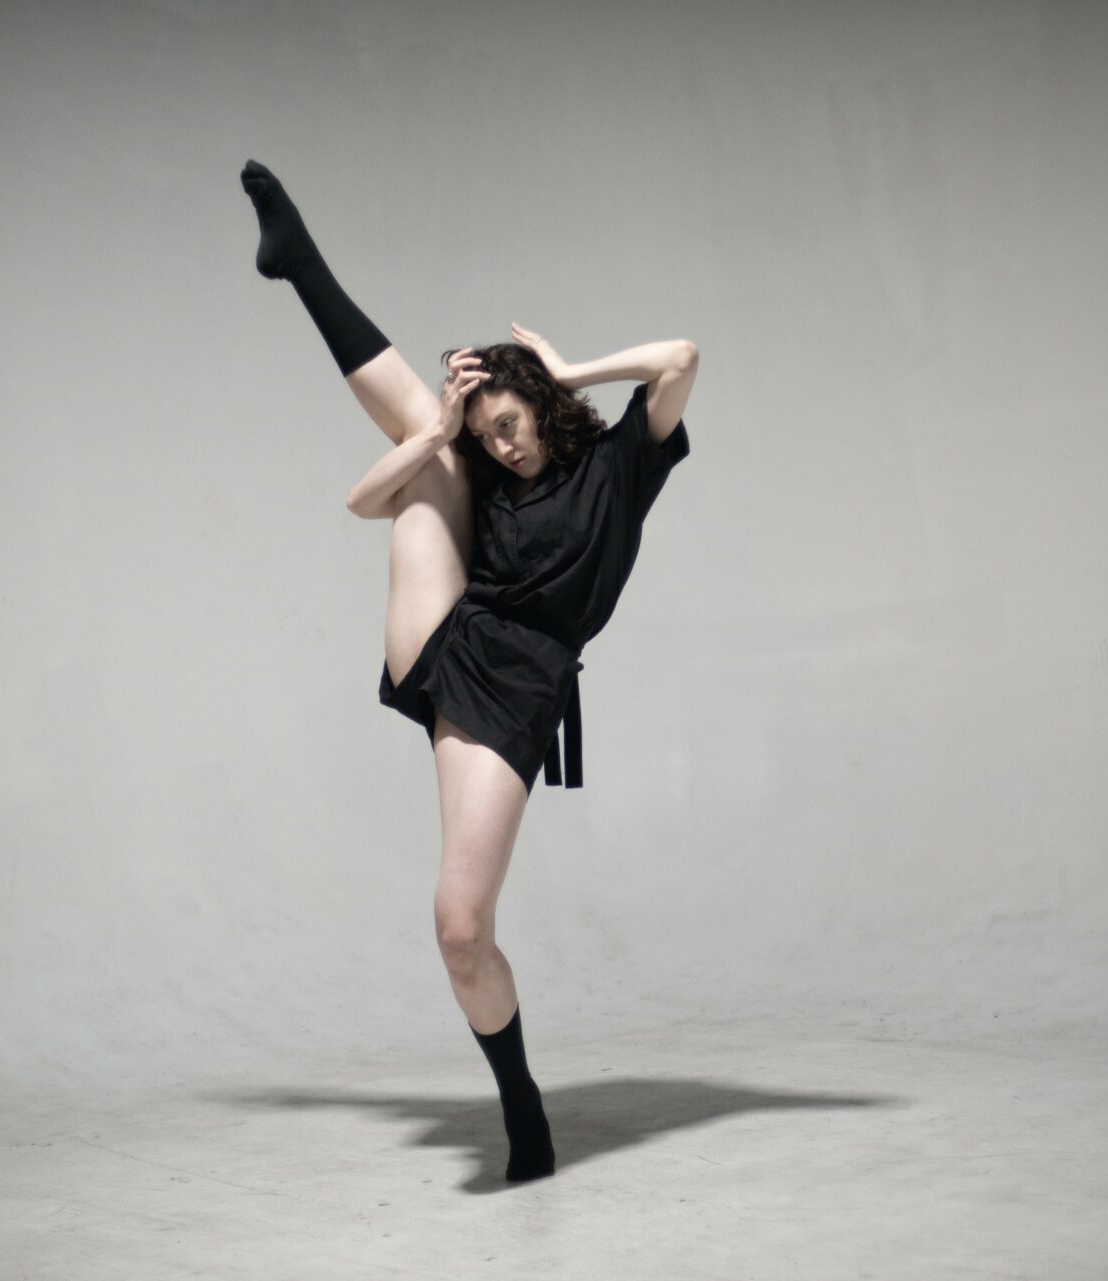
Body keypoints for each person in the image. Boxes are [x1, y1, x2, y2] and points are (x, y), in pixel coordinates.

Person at [241, 159, 695, 1183]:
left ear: (540, 403)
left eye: (509, 423)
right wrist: (450, 434)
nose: (503, 445)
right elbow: (363, 504)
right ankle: (298, 260)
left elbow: (680, 357)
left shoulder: (618, 467)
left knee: (460, 928)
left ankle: (521, 1103)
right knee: (421, 440)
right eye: (489, 434)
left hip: (522, 682)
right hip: (453, 632)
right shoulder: (478, 468)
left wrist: (569, 369)